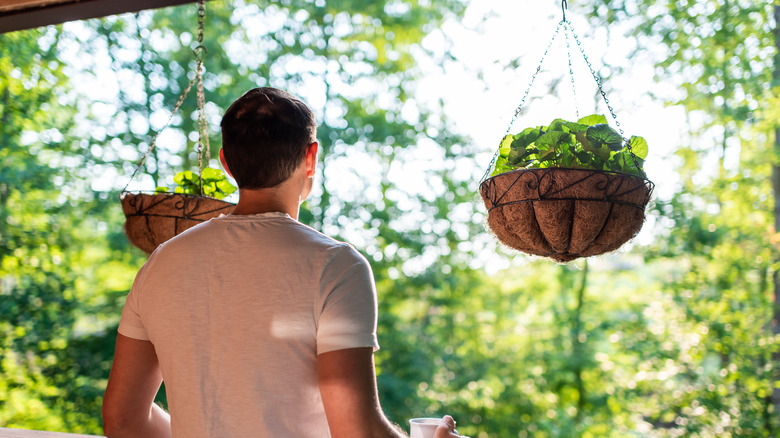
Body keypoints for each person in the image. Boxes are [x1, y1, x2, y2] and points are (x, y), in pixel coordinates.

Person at [103, 87, 466, 438]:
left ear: (227, 163)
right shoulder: (336, 267)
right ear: (311, 157)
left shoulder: (161, 263)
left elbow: (122, 420)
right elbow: (356, 431)